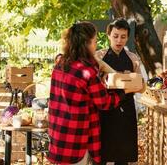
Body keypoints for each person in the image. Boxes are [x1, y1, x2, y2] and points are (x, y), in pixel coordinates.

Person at [48, 22, 126, 165]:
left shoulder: (60, 63)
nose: (96, 45)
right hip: (76, 140)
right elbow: (105, 102)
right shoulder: (87, 72)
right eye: (95, 41)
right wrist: (124, 91)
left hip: (58, 136)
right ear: (87, 44)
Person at [95, 19, 144, 165]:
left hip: (126, 110)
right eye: (115, 36)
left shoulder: (133, 59)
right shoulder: (98, 57)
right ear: (108, 35)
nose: (119, 40)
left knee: (123, 156)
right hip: (104, 110)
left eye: (123, 37)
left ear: (127, 37)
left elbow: (141, 86)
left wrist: (132, 83)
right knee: (102, 155)